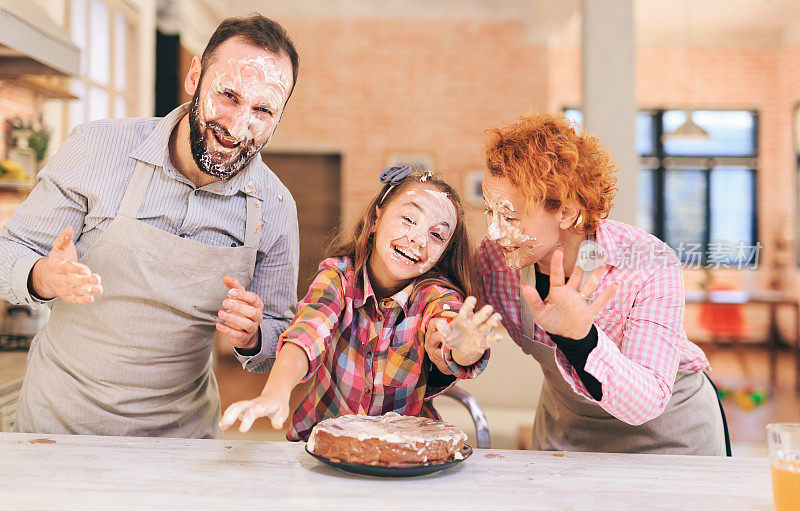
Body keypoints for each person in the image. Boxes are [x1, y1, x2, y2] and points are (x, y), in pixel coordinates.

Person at [0, 15, 300, 438]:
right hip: (59, 425)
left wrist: (253, 336)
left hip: (180, 440)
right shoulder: (96, 149)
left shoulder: (277, 208)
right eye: (229, 96)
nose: (237, 127)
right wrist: (42, 276)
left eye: (262, 110)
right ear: (195, 77)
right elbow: (7, 251)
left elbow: (281, 336)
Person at [463, 112, 725, 455]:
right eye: (490, 212)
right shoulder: (495, 260)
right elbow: (450, 325)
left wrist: (581, 339)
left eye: (509, 216)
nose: (494, 232)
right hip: (568, 434)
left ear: (567, 213)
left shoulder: (649, 261)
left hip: (669, 435)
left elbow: (647, 401)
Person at [220, 167, 501, 440]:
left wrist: (461, 350)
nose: (417, 239)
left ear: (444, 252)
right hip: (320, 444)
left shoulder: (436, 296)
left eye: (437, 234)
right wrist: (275, 391)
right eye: (409, 219)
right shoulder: (337, 277)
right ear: (376, 218)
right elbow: (307, 332)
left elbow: (447, 331)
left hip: (404, 454)